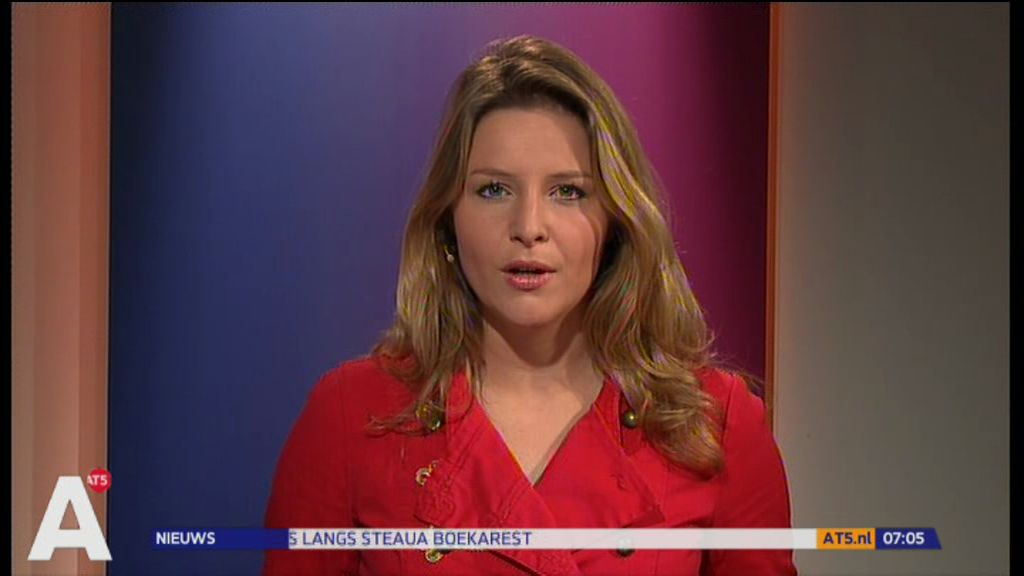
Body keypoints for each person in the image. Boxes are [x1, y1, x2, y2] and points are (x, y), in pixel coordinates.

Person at [264, 34, 796, 575]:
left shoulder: (715, 422)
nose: (528, 227)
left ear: (616, 221)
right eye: (494, 190)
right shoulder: (352, 415)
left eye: (568, 192)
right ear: (447, 219)